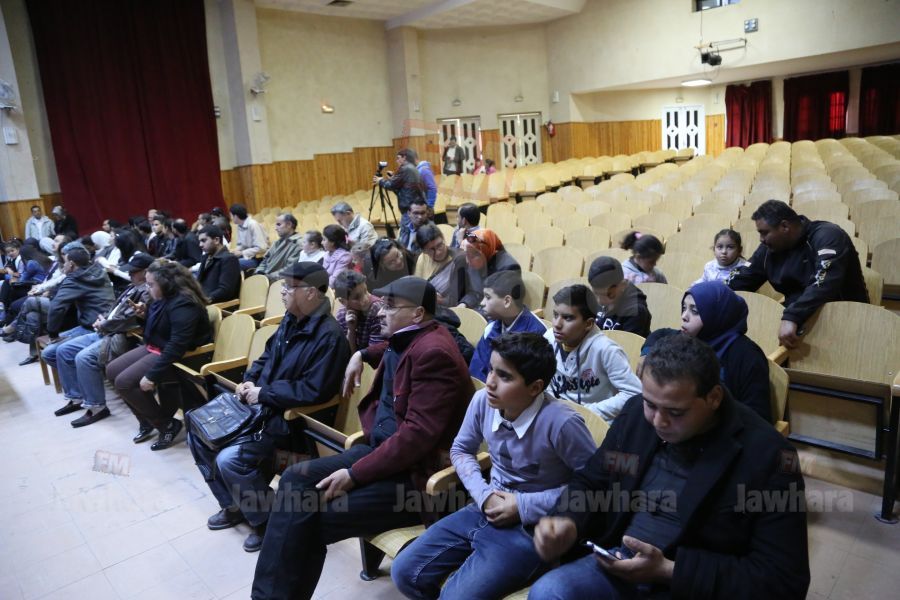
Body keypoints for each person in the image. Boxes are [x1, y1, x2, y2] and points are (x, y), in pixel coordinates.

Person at [528, 334, 810, 599]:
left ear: (713, 397)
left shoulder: (768, 455)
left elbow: (783, 579)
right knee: (549, 592)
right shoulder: (637, 416)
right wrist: (568, 520)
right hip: (618, 561)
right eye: (650, 405)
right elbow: (593, 481)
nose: (658, 422)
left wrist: (669, 571)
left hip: (692, 585)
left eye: (676, 412)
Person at [251, 276, 474, 599]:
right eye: (382, 304)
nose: (380, 311)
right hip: (380, 452)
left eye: (390, 306)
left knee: (311, 518)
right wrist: (363, 354)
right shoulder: (412, 335)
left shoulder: (435, 353)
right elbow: (394, 347)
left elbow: (416, 438)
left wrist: (354, 475)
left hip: (415, 477)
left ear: (417, 313)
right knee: (294, 479)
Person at [392, 332, 597, 599]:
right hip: (484, 506)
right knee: (404, 572)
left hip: (532, 528)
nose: (489, 382)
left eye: (504, 376)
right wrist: (484, 495)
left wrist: (522, 505)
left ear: (535, 387)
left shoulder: (562, 423)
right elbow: (461, 450)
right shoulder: (483, 401)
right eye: (491, 370)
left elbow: (593, 487)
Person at [188, 262, 350, 552]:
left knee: (229, 459)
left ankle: (266, 520)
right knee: (197, 428)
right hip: (262, 407)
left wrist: (264, 393)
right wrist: (249, 380)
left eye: (289, 287)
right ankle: (234, 505)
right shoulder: (291, 319)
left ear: (311, 292)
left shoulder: (330, 336)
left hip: (287, 420)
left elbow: (314, 390)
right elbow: (266, 357)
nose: (283, 293)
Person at [727, 199, 868, 349]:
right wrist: (715, 295)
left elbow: (824, 283)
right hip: (799, 321)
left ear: (784, 226)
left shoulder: (828, 235)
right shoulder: (769, 248)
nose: (761, 239)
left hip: (845, 320)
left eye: (764, 232)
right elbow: (742, 279)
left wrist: (792, 316)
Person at [106, 260, 211, 451]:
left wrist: (152, 375)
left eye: (151, 284)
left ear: (166, 283)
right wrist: (144, 316)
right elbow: (159, 330)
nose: (148, 288)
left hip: (182, 355)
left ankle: (166, 425)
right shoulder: (164, 298)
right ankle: (147, 421)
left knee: (124, 382)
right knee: (112, 370)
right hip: (159, 347)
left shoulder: (184, 303)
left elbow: (177, 344)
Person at [43, 252, 154, 426]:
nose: (130, 274)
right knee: (62, 350)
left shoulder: (147, 290)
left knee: (84, 358)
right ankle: (78, 396)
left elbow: (132, 320)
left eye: (134, 271)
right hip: (105, 328)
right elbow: (115, 308)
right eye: (130, 271)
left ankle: (96, 406)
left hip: (120, 335)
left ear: (146, 271)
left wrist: (105, 323)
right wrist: (103, 319)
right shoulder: (132, 286)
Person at [641, 282, 771, 422]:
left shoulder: (748, 355)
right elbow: (660, 334)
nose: (684, 316)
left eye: (695, 311)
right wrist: (646, 355)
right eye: (684, 308)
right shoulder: (686, 338)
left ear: (717, 315)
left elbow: (758, 417)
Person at [544, 284, 642, 423]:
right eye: (555, 315)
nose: (557, 324)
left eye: (568, 318)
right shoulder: (548, 338)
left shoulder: (607, 350)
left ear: (588, 324)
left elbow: (634, 393)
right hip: (555, 415)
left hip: (593, 422)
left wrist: (588, 412)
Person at [469, 270, 548, 382]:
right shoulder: (491, 327)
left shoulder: (537, 333)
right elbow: (476, 370)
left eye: (488, 297)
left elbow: (528, 381)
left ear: (507, 301)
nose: (482, 303)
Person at [588, 256, 652, 337]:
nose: (600, 301)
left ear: (623, 285)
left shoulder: (635, 311)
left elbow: (629, 343)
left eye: (609, 295)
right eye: (596, 293)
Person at [459, 229, 521, 309]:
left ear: (485, 250)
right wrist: (464, 304)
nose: (468, 261)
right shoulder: (475, 262)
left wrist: (474, 313)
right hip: (480, 309)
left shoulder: (509, 268)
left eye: (472, 256)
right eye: (466, 255)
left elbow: (502, 305)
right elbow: (475, 292)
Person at [413, 224, 469, 307]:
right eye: (431, 249)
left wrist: (436, 298)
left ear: (443, 238)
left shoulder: (459, 259)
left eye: (439, 245)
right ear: (424, 251)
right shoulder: (422, 258)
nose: (438, 252)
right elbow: (417, 287)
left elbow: (454, 301)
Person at [374, 148, 426, 234]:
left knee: (406, 234)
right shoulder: (412, 168)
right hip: (413, 206)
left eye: (398, 158)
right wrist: (393, 177)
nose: (397, 160)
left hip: (409, 209)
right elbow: (404, 185)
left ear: (404, 157)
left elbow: (391, 185)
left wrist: (380, 181)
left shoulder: (405, 168)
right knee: (413, 233)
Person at [332, 269, 385, 354]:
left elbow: (375, 354)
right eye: (357, 297)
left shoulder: (376, 310)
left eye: (366, 291)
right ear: (343, 302)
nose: (365, 299)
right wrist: (351, 331)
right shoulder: (342, 315)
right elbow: (344, 353)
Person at [197, 225, 241, 304]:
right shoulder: (205, 257)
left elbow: (226, 291)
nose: (200, 245)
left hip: (218, 305)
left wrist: (203, 300)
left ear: (216, 240)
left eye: (203, 240)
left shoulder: (229, 259)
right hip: (204, 302)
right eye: (199, 241)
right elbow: (199, 283)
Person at [255, 213, 302, 281]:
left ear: (289, 225)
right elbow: (265, 260)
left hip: (278, 282)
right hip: (265, 279)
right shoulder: (276, 243)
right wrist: (259, 272)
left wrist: (267, 277)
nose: (276, 228)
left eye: (279, 224)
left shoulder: (299, 243)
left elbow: (290, 269)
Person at [230, 203, 269, 271]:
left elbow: (261, 248)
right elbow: (241, 245)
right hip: (248, 256)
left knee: (233, 263)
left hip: (259, 258)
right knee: (227, 260)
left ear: (235, 216)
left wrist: (242, 253)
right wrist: (235, 251)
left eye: (231, 215)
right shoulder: (239, 226)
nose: (231, 218)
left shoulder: (253, 224)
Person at [322, 224, 352, 288]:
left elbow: (335, 280)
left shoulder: (344, 256)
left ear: (332, 242)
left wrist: (320, 287)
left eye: (324, 240)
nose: (322, 242)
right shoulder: (327, 253)